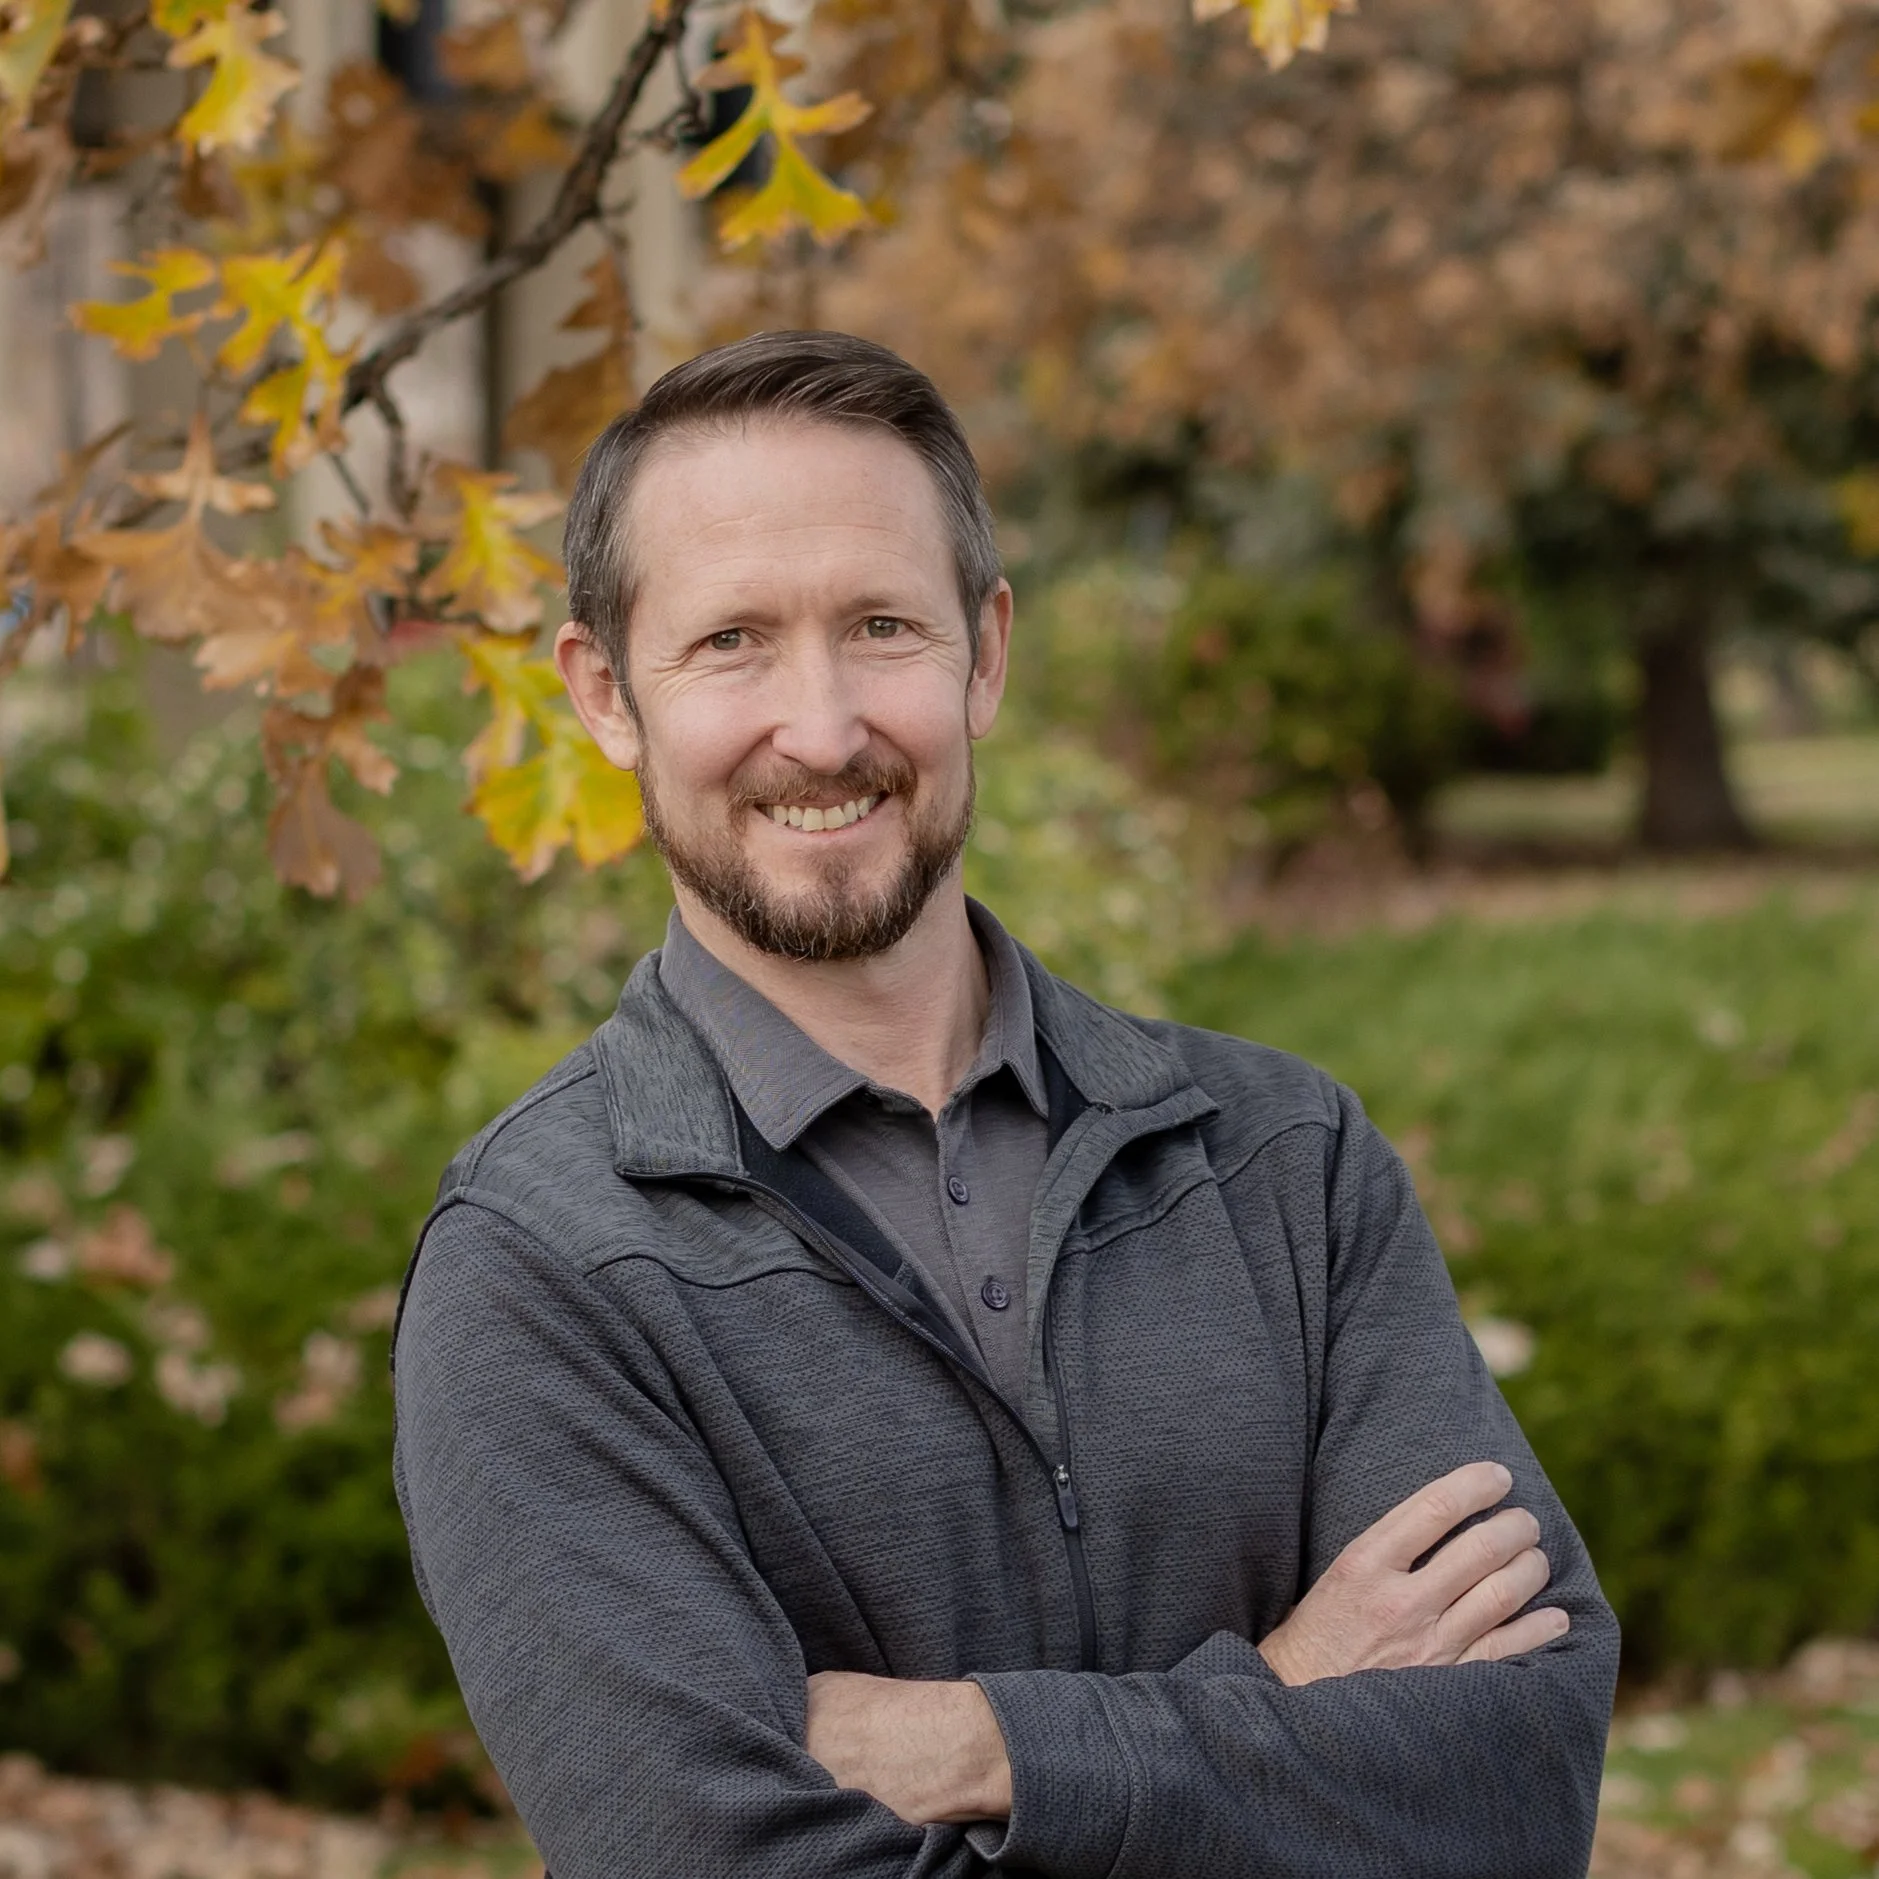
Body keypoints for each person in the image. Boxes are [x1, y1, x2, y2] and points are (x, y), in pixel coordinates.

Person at [391, 330, 1619, 1879]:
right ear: (604, 693)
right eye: (731, 641)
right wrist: (1288, 1694)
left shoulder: (1283, 1160)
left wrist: (991, 1747)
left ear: (982, 653)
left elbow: (1511, 1790)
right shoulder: (540, 1265)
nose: (821, 727)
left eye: (880, 626)